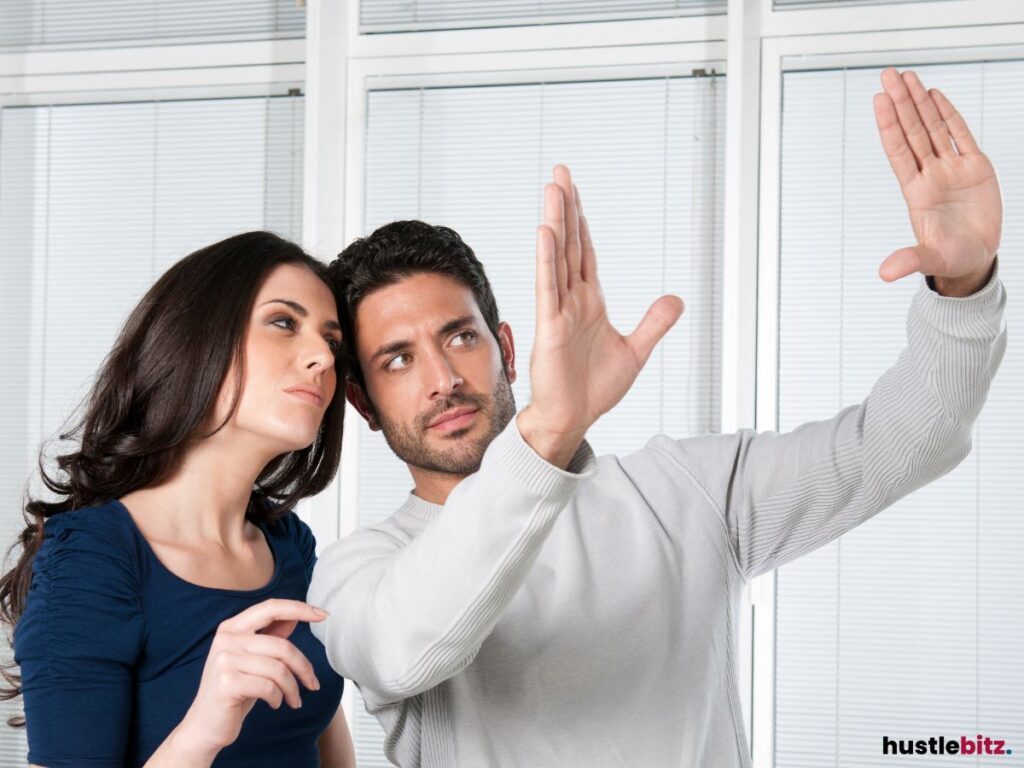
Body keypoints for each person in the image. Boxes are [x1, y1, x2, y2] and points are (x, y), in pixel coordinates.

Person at [308, 67, 1007, 767]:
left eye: (461, 337)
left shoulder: (686, 493)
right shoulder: (357, 573)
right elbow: (410, 645)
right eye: (397, 360)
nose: (443, 380)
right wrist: (550, 432)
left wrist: (965, 286)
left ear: (507, 349)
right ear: (364, 402)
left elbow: (913, 437)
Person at [2, 232, 357, 767]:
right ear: (196, 339)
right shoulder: (89, 562)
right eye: (284, 322)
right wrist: (204, 729)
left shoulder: (290, 547)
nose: (321, 358)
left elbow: (324, 748)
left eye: (331, 341)